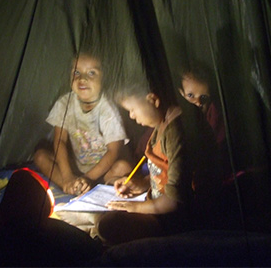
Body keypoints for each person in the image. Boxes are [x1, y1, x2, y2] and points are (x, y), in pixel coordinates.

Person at [96, 81, 224, 245]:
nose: (132, 116)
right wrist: (142, 183)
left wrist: (133, 208)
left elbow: (174, 201)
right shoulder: (163, 121)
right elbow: (166, 170)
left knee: (109, 224)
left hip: (178, 220)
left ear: (153, 99)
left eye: (132, 109)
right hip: (159, 206)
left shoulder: (178, 132)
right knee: (106, 221)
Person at [33, 51, 133, 196]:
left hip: (104, 171)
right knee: (40, 157)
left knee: (123, 167)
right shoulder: (64, 103)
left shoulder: (108, 109)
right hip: (76, 169)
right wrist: (67, 176)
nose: (82, 78)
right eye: (76, 72)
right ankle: (71, 186)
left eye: (91, 73)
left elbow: (113, 151)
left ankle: (92, 186)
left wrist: (88, 178)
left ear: (104, 78)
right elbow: (60, 140)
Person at [178, 65, 226, 147]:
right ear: (182, 93)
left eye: (203, 97)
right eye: (190, 95)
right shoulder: (178, 115)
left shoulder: (215, 117)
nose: (198, 102)